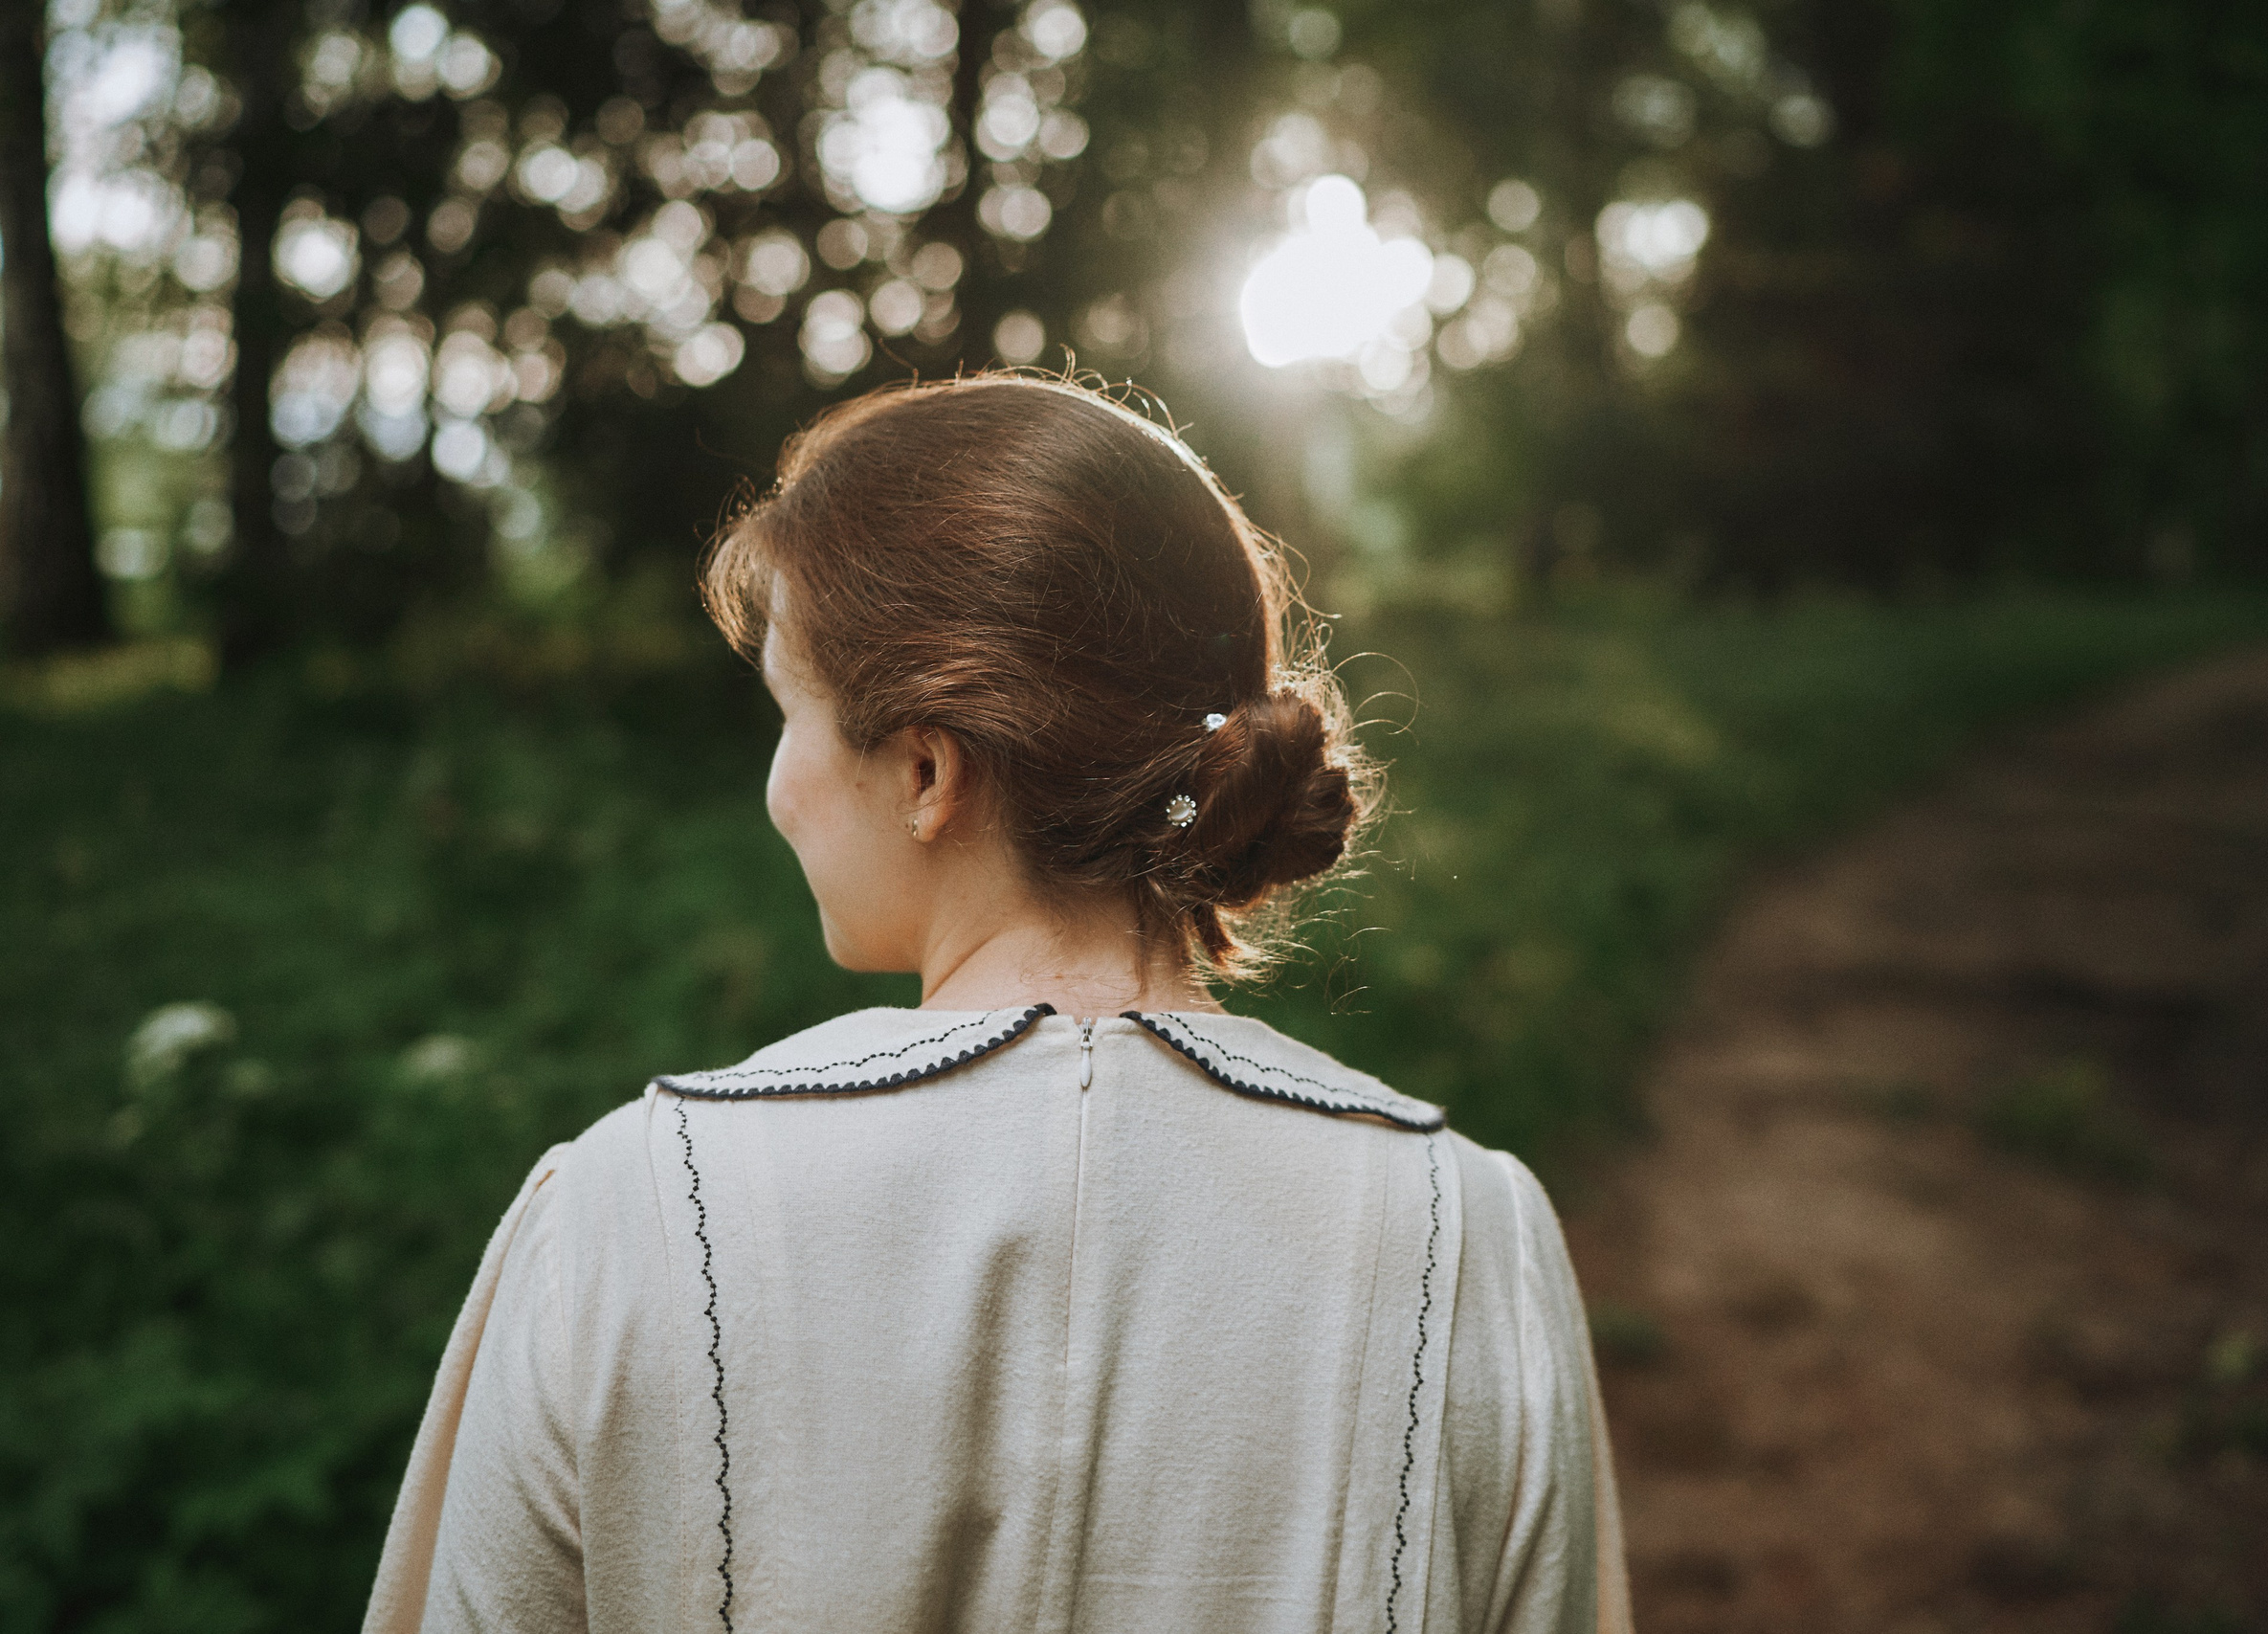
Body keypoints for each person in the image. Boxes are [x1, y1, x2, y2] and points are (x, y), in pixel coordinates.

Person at [362, 375, 1631, 1634]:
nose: (776, 786)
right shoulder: (1475, 1241)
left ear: (926, 768)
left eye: (788, 714)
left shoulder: (627, 1217)